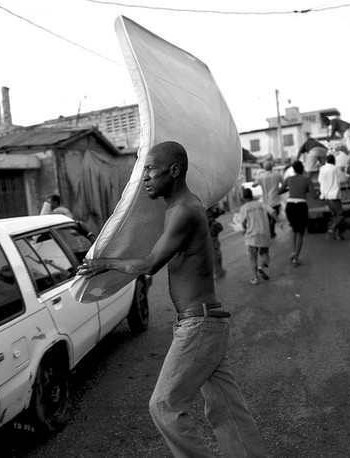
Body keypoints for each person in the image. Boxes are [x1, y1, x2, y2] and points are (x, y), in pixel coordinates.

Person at [76, 141, 266, 457]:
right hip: (206, 321)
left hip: (199, 325)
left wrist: (106, 263)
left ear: (174, 170)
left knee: (164, 405)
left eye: (150, 169)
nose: (145, 177)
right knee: (227, 411)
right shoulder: (179, 208)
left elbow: (150, 264)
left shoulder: (185, 211)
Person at [279, 160, 316, 266]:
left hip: (290, 206)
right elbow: (314, 196)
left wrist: (290, 189)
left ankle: (293, 252)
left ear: (293, 169)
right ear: (302, 168)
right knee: (300, 232)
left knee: (294, 230)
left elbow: (279, 191)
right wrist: (306, 190)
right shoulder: (307, 179)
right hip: (301, 206)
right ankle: (296, 257)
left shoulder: (289, 179)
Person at [239, 187, 275, 285]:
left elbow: (243, 223)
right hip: (264, 233)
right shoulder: (261, 204)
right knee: (264, 253)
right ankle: (261, 267)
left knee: (252, 257)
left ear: (243, 197)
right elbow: (272, 211)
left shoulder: (244, 208)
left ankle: (255, 278)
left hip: (251, 236)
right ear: (252, 196)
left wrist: (244, 229)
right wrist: (279, 221)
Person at [318, 154, 348, 240]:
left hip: (325, 196)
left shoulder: (322, 169)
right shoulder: (335, 169)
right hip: (334, 196)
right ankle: (332, 228)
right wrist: (347, 176)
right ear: (334, 161)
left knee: (335, 215)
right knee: (341, 215)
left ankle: (338, 235)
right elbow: (343, 179)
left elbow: (320, 180)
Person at [254, 159, 283, 237]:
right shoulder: (277, 175)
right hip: (275, 199)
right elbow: (283, 184)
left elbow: (254, 185)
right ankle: (271, 232)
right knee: (274, 216)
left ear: (264, 168)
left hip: (266, 201)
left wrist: (258, 177)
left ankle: (270, 232)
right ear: (272, 167)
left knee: (268, 217)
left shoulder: (261, 177)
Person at [207, 204, 227, 279]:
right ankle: (217, 271)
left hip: (208, 233)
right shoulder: (205, 205)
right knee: (215, 252)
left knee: (215, 251)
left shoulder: (203, 205)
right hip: (210, 233)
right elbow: (211, 216)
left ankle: (218, 270)